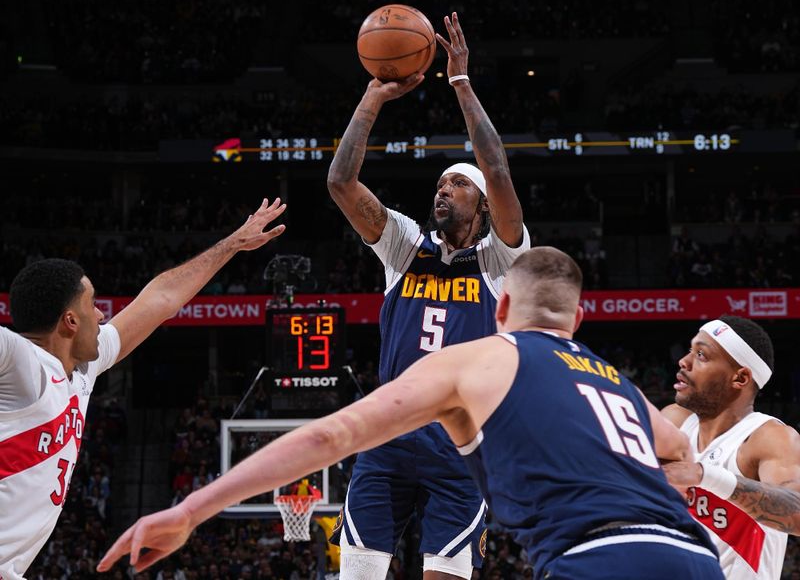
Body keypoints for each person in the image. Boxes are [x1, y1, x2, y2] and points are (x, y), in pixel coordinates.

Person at [98, 247, 724, 580]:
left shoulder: (474, 359)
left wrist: (190, 510)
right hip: (695, 558)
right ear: (578, 321)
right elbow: (679, 455)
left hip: (597, 561)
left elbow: (334, 433)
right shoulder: (619, 382)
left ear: (499, 306)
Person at [325, 12, 530, 580]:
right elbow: (341, 184)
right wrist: (372, 98)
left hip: (459, 443)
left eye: (458, 183)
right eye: (440, 183)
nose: (444, 189)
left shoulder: (499, 260)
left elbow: (499, 169)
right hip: (388, 435)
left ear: (483, 204)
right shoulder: (404, 246)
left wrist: (460, 83)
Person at [0, 198, 286, 580]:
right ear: (70, 321)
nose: (101, 314)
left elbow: (160, 299)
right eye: (92, 306)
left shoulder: (84, 367)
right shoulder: (23, 363)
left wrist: (232, 243)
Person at [662, 316, 800, 579]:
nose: (684, 361)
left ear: (740, 377)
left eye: (701, 355)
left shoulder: (767, 437)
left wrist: (705, 476)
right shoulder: (673, 422)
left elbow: (796, 512)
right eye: (690, 350)